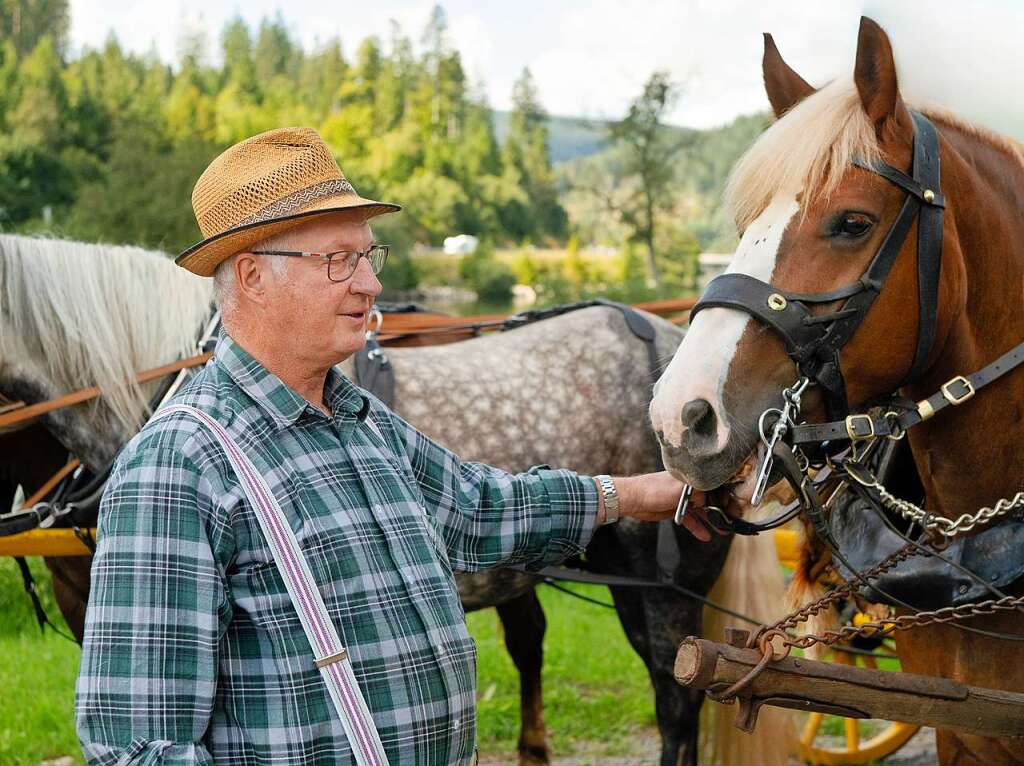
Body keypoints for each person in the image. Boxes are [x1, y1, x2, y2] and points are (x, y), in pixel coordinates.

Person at [75, 127, 709, 765]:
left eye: (367, 258)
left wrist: (631, 494)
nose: (369, 286)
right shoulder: (175, 468)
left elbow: (477, 510)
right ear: (252, 277)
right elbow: (138, 749)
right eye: (338, 260)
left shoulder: (359, 418)